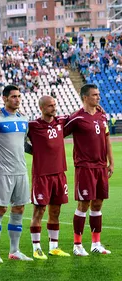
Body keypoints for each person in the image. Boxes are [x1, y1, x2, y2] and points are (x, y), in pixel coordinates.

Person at [64, 84, 114, 256]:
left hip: (101, 166)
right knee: (83, 204)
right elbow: (59, 132)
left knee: (98, 204)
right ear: (85, 97)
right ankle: (77, 245)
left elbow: (107, 139)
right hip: (85, 167)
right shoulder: (77, 118)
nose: (98, 97)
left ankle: (96, 243)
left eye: (98, 94)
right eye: (94, 95)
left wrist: (111, 162)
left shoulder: (102, 115)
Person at [0, 85, 33, 263]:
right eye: (13, 96)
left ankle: (15, 251)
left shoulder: (24, 118)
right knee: (0, 209)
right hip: (3, 172)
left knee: (19, 209)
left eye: (19, 96)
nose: (17, 99)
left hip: (21, 171)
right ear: (5, 98)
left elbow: (24, 145)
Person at [26, 96, 71, 259]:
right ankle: (36, 248)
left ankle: (54, 247)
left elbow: (81, 115)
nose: (54, 108)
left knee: (56, 211)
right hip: (42, 175)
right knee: (39, 210)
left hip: (59, 174)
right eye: (50, 106)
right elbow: (15, 138)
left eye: (54, 105)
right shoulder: (32, 126)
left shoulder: (60, 122)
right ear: (42, 108)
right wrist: (32, 150)